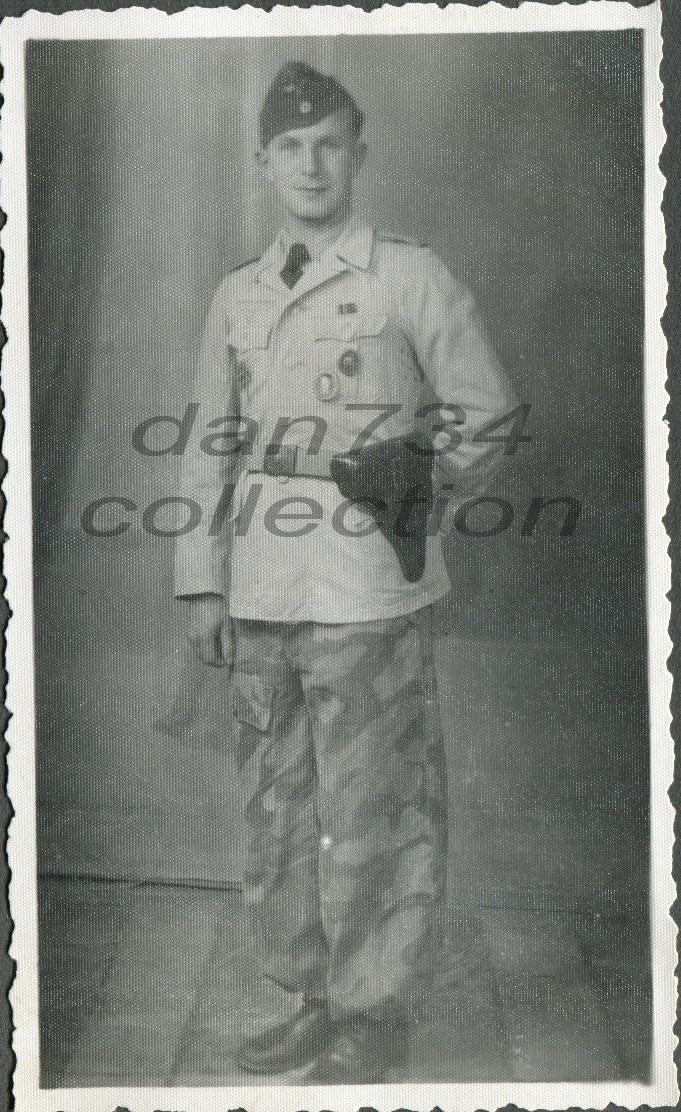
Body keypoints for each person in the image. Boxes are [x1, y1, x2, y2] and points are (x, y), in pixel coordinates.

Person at [175, 60, 515, 1082]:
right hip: (261, 582)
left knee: (375, 805)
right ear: (264, 163)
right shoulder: (238, 292)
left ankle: (374, 1013)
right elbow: (209, 441)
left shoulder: (407, 275)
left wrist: (416, 487)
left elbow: (487, 411)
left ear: (358, 156)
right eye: (291, 147)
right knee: (277, 805)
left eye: (329, 144)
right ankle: (310, 995)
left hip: (367, 579)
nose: (311, 164)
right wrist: (202, 580)